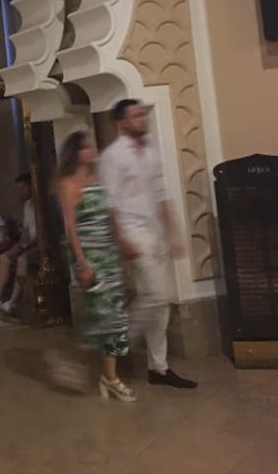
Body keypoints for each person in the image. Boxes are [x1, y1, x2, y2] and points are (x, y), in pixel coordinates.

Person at [99, 99, 197, 389]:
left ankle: (159, 367)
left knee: (162, 303)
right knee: (156, 295)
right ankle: (117, 343)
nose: (142, 119)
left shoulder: (152, 153)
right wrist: (122, 239)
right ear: (122, 122)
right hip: (133, 231)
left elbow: (161, 195)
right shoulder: (113, 156)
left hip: (155, 233)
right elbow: (110, 203)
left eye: (143, 114)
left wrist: (172, 234)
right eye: (136, 115)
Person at [57, 130, 136, 402]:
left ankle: (109, 377)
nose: (92, 151)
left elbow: (111, 216)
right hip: (89, 256)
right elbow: (71, 227)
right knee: (98, 316)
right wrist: (82, 263)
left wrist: (122, 244)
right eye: (86, 148)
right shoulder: (68, 184)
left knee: (115, 317)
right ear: (76, 153)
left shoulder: (97, 181)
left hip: (108, 254)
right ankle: (92, 369)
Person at [0, 174, 38, 314]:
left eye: (22, 188)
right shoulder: (27, 205)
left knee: (22, 259)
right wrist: (19, 245)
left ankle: (13, 301)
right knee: (4, 257)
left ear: (31, 186)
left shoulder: (40, 203)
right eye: (18, 188)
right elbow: (26, 230)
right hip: (28, 243)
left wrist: (24, 246)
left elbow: (42, 233)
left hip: (40, 245)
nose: (20, 192)